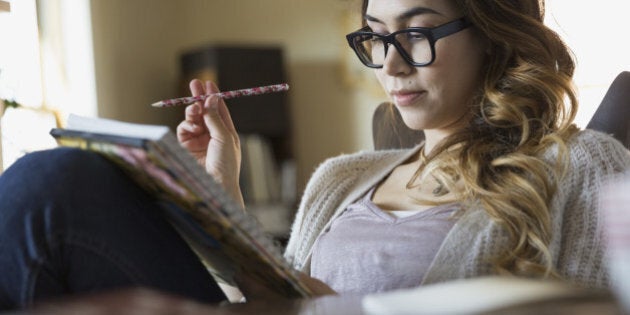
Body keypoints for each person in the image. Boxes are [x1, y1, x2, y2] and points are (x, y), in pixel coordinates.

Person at [0, 0, 628, 310]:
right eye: (375, 37)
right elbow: (271, 295)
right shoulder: (342, 177)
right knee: (51, 185)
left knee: (56, 188)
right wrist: (222, 196)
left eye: (414, 33)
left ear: (493, 34)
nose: (390, 63)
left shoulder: (581, 165)